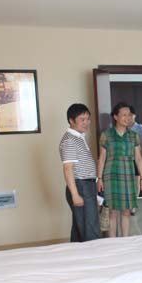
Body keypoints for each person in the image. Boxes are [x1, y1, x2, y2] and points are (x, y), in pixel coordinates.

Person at [97, 102, 142, 237]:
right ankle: (114, 242)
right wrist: (99, 178)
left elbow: (138, 158)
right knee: (112, 212)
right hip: (110, 176)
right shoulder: (106, 135)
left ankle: (125, 240)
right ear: (115, 117)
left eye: (129, 115)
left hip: (128, 175)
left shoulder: (133, 135)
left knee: (126, 211)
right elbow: (102, 158)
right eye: (124, 115)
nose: (127, 117)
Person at [59, 103, 101, 242]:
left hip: (85, 186)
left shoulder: (78, 137)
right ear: (71, 120)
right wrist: (75, 195)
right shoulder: (69, 140)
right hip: (80, 187)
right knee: (90, 229)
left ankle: (78, 253)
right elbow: (68, 168)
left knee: (80, 228)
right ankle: (94, 254)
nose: (86, 122)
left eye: (88, 119)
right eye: (82, 119)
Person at [127, 106, 142, 211]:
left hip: (136, 158)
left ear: (134, 115)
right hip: (125, 158)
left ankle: (133, 205)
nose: (129, 117)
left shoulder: (139, 127)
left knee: (136, 182)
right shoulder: (123, 126)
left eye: (131, 115)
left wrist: (141, 157)